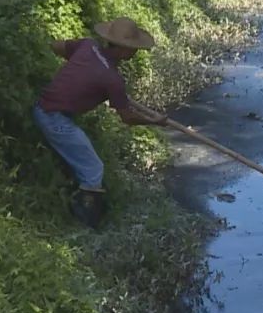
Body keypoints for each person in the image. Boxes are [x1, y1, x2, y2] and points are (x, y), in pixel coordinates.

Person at [33, 17, 168, 228]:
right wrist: (155, 121)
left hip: (47, 109)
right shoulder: (112, 79)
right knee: (93, 168)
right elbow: (127, 118)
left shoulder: (88, 46)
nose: (135, 53)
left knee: (85, 163)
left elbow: (56, 46)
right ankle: (84, 222)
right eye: (133, 49)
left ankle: (80, 207)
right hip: (54, 118)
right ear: (123, 49)